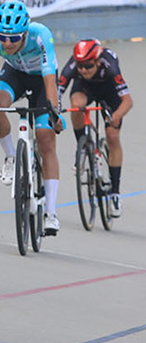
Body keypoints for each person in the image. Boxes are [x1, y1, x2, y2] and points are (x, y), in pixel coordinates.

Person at [0, 2, 62, 233]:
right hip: (15, 75)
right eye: (3, 37)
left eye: (14, 38)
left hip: (43, 81)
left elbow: (49, 76)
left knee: (46, 139)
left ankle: (51, 213)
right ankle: (12, 158)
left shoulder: (41, 35)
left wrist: (54, 111)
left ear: (25, 32)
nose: (8, 43)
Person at [60, 40, 132, 217]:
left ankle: (114, 193)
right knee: (76, 105)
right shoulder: (73, 65)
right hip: (85, 90)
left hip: (110, 94)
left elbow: (128, 101)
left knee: (112, 136)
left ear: (98, 61)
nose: (83, 70)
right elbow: (57, 90)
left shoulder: (110, 65)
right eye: (80, 66)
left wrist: (116, 117)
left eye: (88, 66)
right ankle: (83, 148)